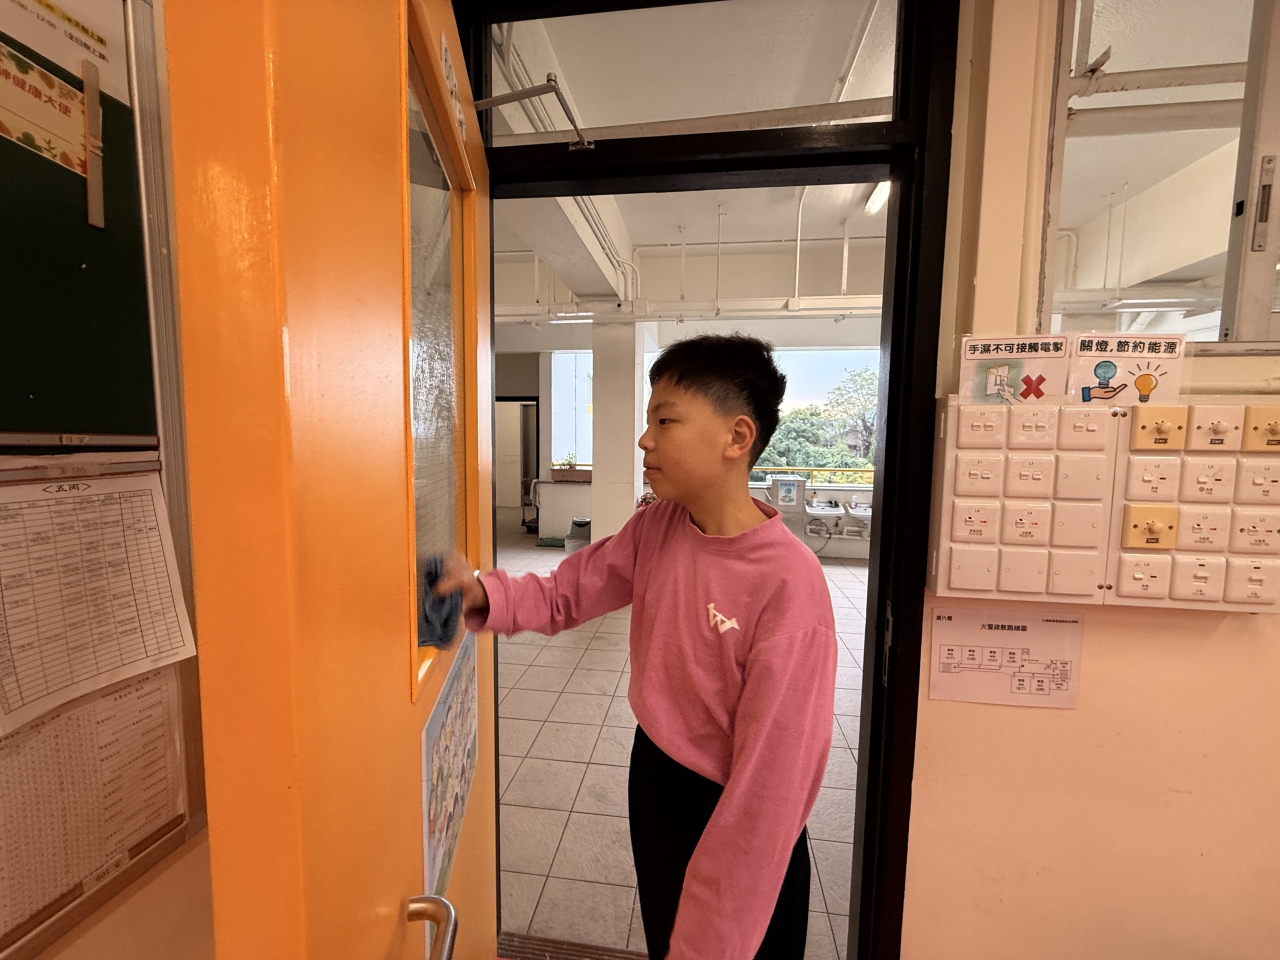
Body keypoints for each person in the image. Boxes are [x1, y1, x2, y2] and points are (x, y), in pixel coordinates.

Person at [435, 333, 837, 960]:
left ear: (737, 437)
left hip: (738, 804)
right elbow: (570, 590)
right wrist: (484, 592)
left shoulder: (789, 584)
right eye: (649, 420)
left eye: (665, 421)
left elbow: (772, 786)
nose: (645, 440)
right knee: (664, 929)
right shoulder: (658, 526)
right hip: (655, 774)